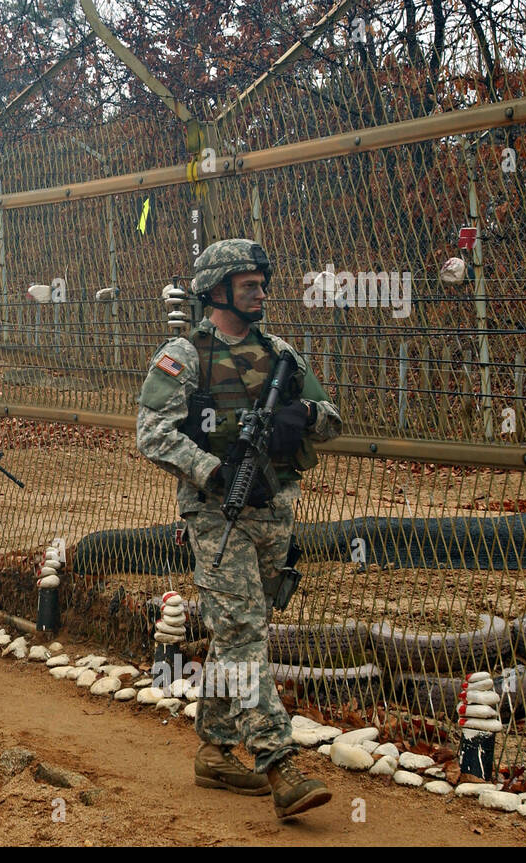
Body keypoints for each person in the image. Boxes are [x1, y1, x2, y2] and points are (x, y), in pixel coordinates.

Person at [136, 238, 342, 819]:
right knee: (244, 634)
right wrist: (214, 471)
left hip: (275, 510)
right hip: (215, 514)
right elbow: (151, 432)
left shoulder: (280, 354)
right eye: (248, 284)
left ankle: (215, 749)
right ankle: (280, 765)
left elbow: (332, 418)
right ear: (218, 291)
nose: (260, 292)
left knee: (238, 632)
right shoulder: (184, 355)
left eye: (260, 282)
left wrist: (298, 417)